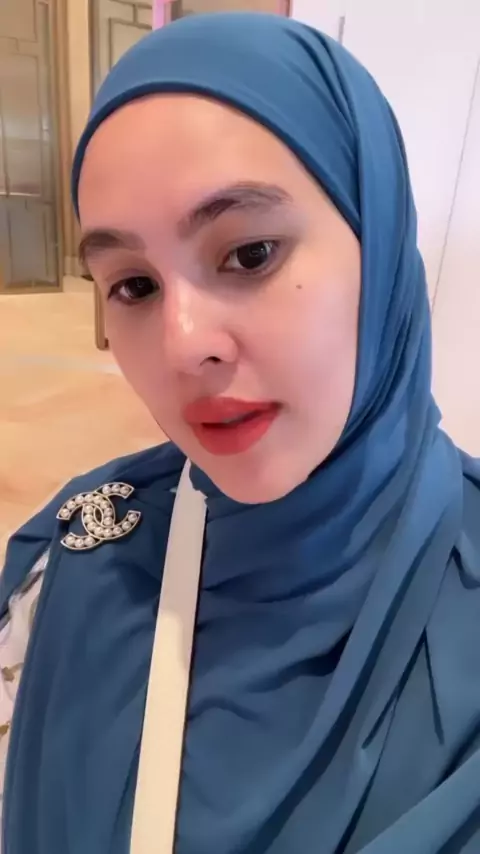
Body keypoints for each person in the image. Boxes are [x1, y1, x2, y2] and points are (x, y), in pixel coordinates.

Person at [1, 11, 480, 854]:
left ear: (379, 243)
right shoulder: (79, 564)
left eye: (250, 254)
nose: (184, 346)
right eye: (134, 285)